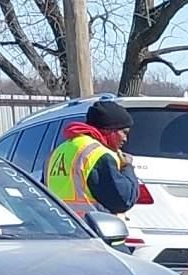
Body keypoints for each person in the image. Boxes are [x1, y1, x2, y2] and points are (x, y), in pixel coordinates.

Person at [44, 97, 140, 227]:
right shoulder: (98, 154)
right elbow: (123, 200)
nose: (125, 139)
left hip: (61, 230)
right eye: (124, 132)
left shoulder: (59, 151)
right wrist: (127, 167)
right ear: (109, 129)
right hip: (92, 232)